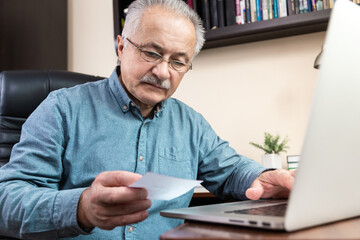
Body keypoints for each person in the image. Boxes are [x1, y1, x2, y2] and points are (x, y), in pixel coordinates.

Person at [0, 0, 295, 239]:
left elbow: (230, 170)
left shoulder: (190, 123)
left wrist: (260, 177)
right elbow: (8, 200)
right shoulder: (62, 109)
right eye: (151, 52)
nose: (163, 72)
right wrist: (82, 208)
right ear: (121, 46)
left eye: (178, 61)